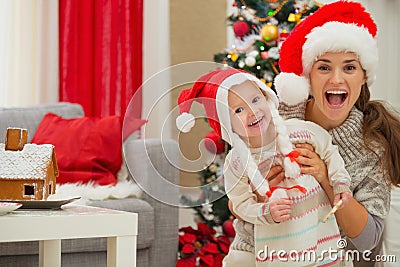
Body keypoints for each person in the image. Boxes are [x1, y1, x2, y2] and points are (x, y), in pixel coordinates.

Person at [230, 1, 400, 266]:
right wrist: (255, 186)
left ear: (364, 76)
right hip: (255, 251)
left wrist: (325, 176)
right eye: (324, 67)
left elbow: (368, 240)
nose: (336, 79)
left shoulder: (370, 147)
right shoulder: (275, 115)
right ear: (308, 74)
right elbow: (234, 200)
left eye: (349, 67)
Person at [176, 67, 352, 266]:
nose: (252, 112)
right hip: (278, 251)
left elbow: (330, 153)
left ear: (266, 97)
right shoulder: (236, 163)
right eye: (239, 110)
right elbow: (241, 204)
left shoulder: (302, 131)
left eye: (255, 99)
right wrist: (266, 212)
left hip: (322, 241)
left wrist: (341, 183)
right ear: (227, 124)